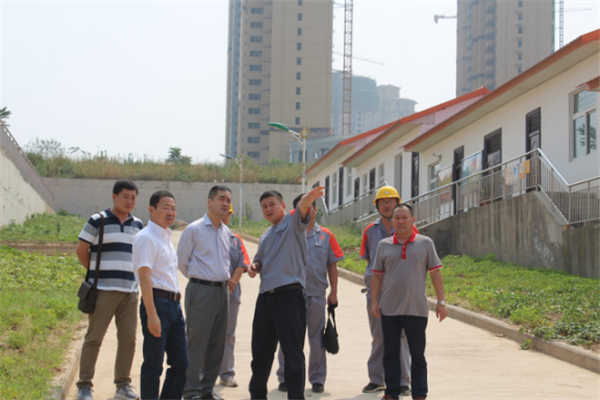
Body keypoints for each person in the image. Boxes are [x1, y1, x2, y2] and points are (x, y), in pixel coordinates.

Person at [248, 186, 325, 400]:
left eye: (272, 204)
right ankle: (257, 396)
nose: (268, 209)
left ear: (283, 205)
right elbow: (259, 260)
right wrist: (254, 267)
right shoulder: (265, 235)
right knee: (260, 353)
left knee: (292, 353)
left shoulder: (293, 223)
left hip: (289, 296)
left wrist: (310, 197)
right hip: (266, 298)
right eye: (264, 206)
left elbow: (302, 206)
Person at [370, 203, 448, 400]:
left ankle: (420, 393)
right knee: (390, 354)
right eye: (397, 218)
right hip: (389, 310)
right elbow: (377, 276)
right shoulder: (384, 245)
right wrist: (374, 302)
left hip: (416, 310)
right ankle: (391, 392)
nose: (401, 221)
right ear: (392, 221)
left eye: (405, 217)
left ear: (413, 220)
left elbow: (436, 274)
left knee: (418, 354)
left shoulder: (425, 243)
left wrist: (441, 302)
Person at [75, 179, 143, 400]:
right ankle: (84, 386)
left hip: (130, 292)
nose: (129, 201)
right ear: (114, 197)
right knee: (94, 338)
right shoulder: (98, 220)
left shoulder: (138, 225)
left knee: (128, 340)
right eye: (125, 196)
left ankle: (122, 385)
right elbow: (81, 251)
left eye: (133, 197)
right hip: (103, 290)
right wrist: (98, 274)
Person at [178, 185, 246, 400]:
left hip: (223, 292)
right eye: (221, 199)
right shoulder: (194, 229)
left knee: (217, 343)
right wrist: (201, 281)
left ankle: (207, 389)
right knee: (196, 342)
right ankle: (190, 391)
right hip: (201, 290)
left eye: (228, 200)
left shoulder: (227, 233)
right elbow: (182, 263)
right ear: (209, 202)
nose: (225, 203)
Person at [276, 194, 344, 394]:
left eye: (309, 207)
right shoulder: (286, 233)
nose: (306, 210)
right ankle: (286, 377)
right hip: (289, 294)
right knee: (289, 338)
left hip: (316, 294)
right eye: (301, 207)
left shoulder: (326, 235)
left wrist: (334, 292)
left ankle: (317, 378)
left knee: (316, 338)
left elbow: (332, 264)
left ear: (315, 210)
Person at [133, 190, 188, 400]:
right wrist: (152, 314)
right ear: (151, 209)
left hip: (174, 306)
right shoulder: (146, 238)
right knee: (154, 364)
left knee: (181, 363)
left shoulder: (165, 238)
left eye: (173, 208)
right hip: (157, 304)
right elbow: (144, 278)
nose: (171, 212)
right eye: (165, 207)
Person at [360, 186, 411, 395]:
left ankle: (403, 381)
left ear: (398, 203)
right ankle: (376, 379)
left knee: (401, 337)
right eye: (382, 202)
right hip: (377, 292)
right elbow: (368, 258)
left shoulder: (409, 229)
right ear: (377, 206)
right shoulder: (369, 231)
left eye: (391, 201)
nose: (387, 205)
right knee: (379, 336)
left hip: (401, 293)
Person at [219, 205, 251, 388]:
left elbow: (243, 263)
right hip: (208, 293)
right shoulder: (202, 234)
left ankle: (227, 373)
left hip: (231, 294)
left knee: (228, 334)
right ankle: (201, 372)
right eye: (222, 212)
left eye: (228, 214)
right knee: (205, 333)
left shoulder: (236, 240)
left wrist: (232, 283)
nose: (225, 216)